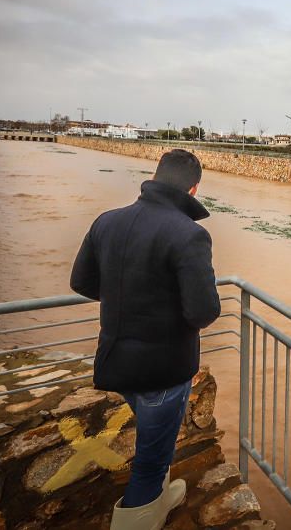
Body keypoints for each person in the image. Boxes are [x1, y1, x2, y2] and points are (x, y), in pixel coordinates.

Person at [70, 149, 221, 530]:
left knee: (155, 445)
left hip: (115, 363)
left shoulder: (107, 221)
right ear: (194, 188)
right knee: (151, 462)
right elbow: (202, 312)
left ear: (155, 176)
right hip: (163, 372)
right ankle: (139, 518)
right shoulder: (190, 234)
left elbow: (82, 283)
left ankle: (160, 501)